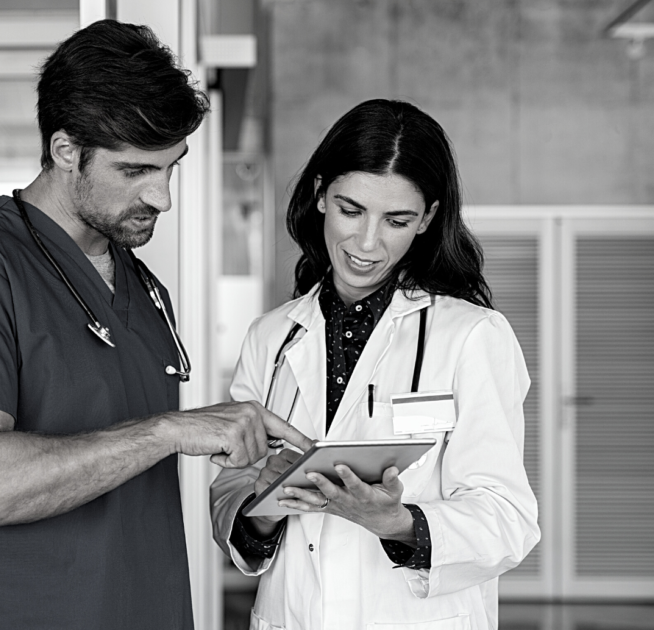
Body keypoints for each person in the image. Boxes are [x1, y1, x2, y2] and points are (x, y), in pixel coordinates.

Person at [0, 19, 310, 630]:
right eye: (135, 171)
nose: (162, 197)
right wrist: (165, 432)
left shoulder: (137, 281)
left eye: (171, 167)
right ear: (64, 151)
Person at [210, 99, 540, 630]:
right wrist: (266, 504)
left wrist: (400, 523)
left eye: (397, 220)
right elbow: (229, 496)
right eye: (350, 209)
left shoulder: (473, 335)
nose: (366, 243)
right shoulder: (270, 338)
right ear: (320, 194)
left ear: (428, 219)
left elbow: (508, 519)